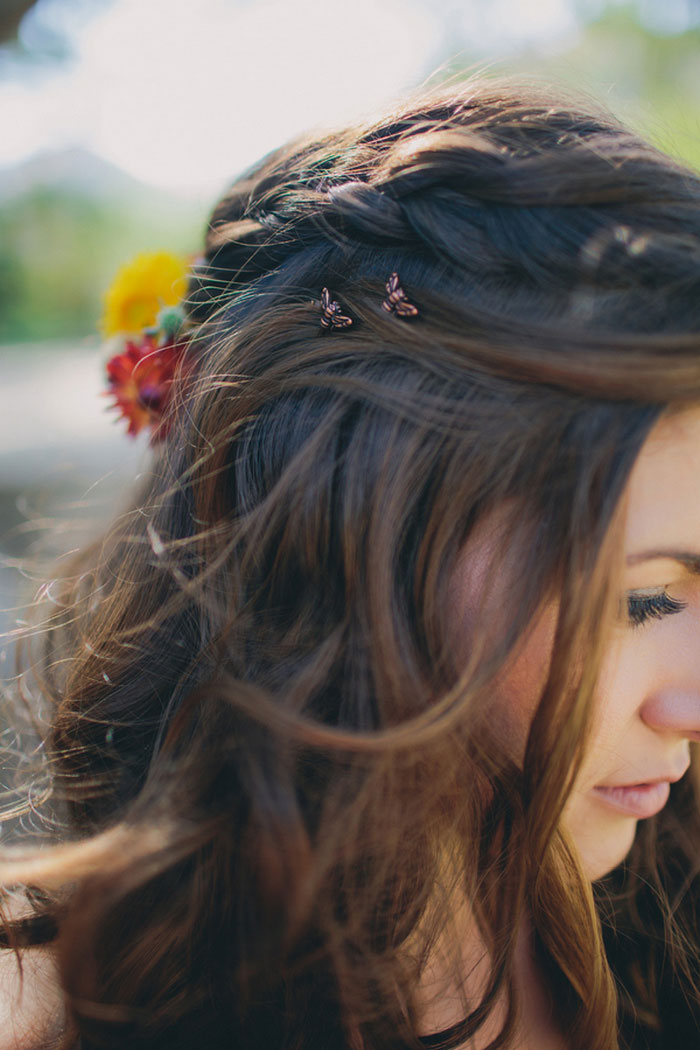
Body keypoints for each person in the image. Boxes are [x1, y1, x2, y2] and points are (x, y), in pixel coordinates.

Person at [2, 75, 700, 1050]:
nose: (692, 703)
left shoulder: (668, 907)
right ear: (351, 545)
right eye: (640, 600)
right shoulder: (49, 1012)